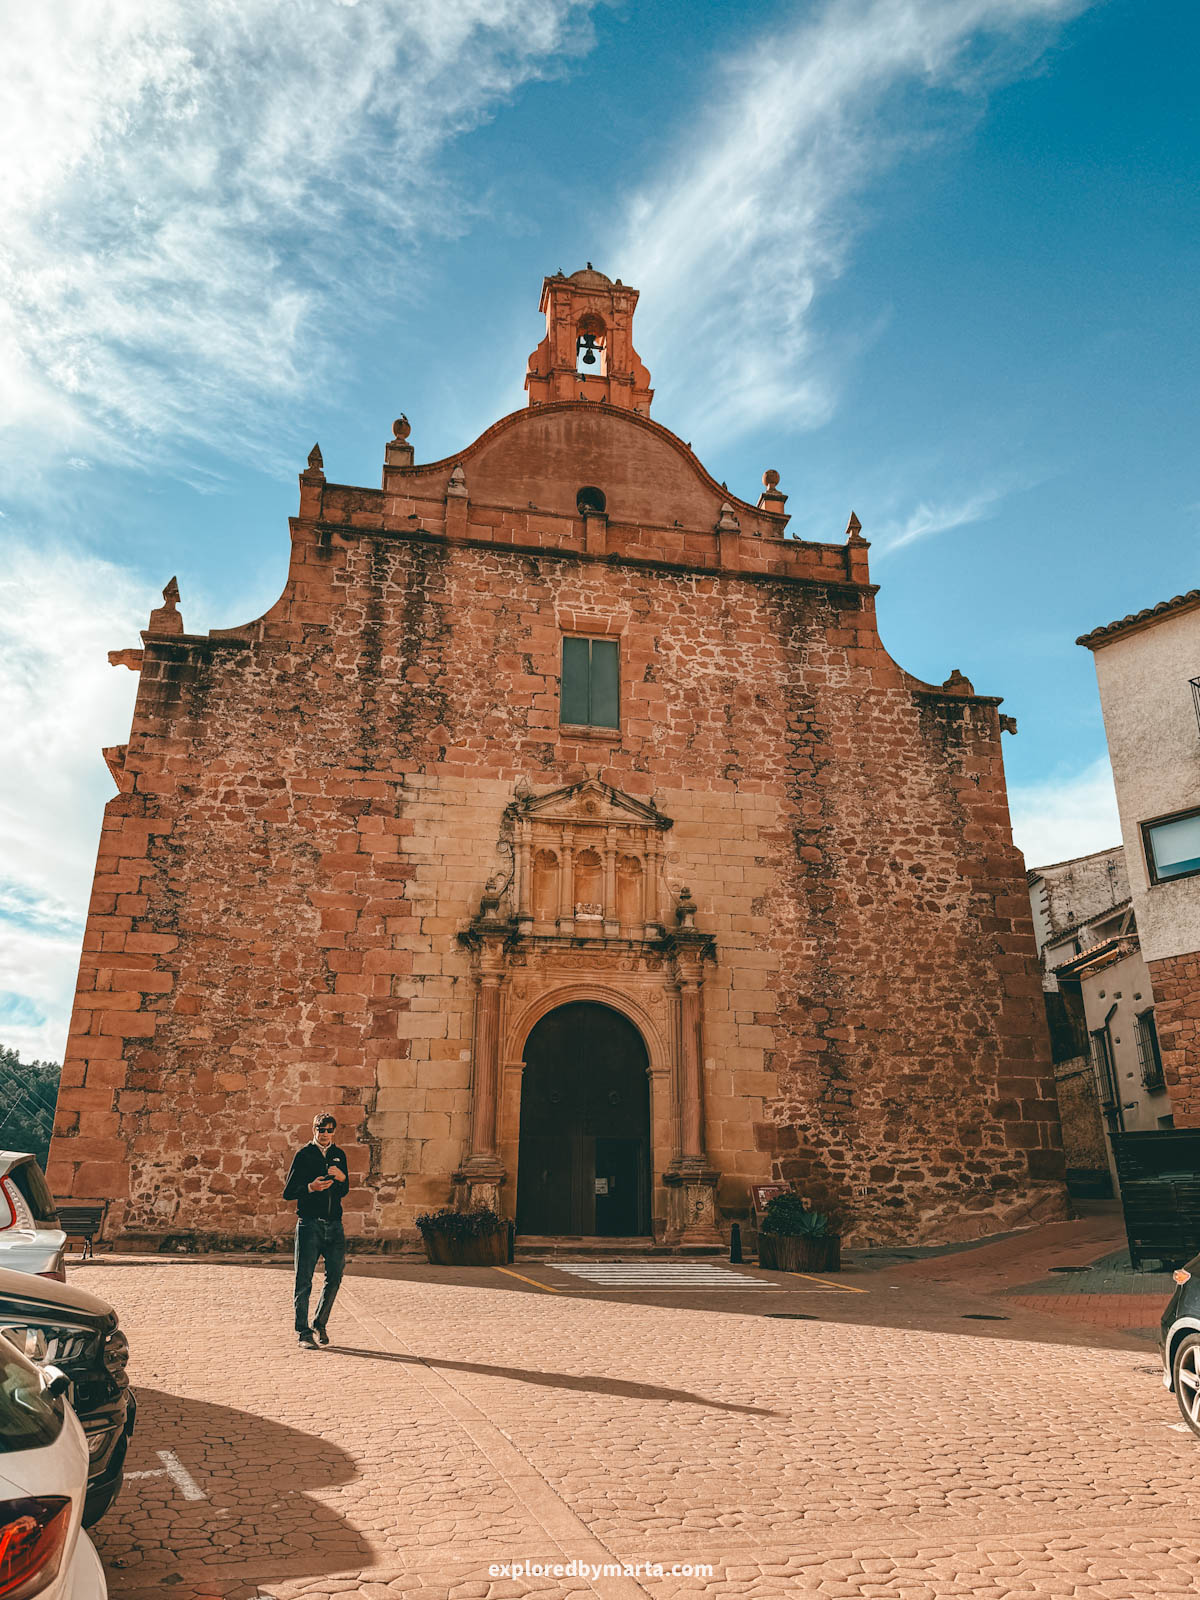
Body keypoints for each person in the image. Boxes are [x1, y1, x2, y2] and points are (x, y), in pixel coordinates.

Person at [284, 1112, 349, 1348]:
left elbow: (343, 1191)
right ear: (314, 1130)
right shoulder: (304, 1155)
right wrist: (310, 1188)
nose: (325, 1134)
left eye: (329, 1130)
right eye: (321, 1130)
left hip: (334, 1225)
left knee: (335, 1277)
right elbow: (288, 1192)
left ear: (334, 1132)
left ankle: (319, 1323)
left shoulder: (338, 1155)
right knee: (304, 1280)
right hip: (309, 1224)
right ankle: (303, 1332)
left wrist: (342, 1178)